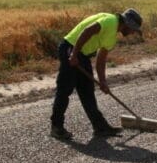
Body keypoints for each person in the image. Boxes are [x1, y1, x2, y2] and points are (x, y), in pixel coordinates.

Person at [50, 8, 143, 140]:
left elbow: (101, 59)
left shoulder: (112, 35)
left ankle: (100, 127)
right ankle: (56, 127)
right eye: (133, 29)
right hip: (70, 49)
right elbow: (87, 31)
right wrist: (74, 54)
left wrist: (103, 82)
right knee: (64, 90)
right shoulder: (110, 21)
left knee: (87, 91)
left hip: (82, 55)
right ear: (127, 24)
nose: (133, 32)